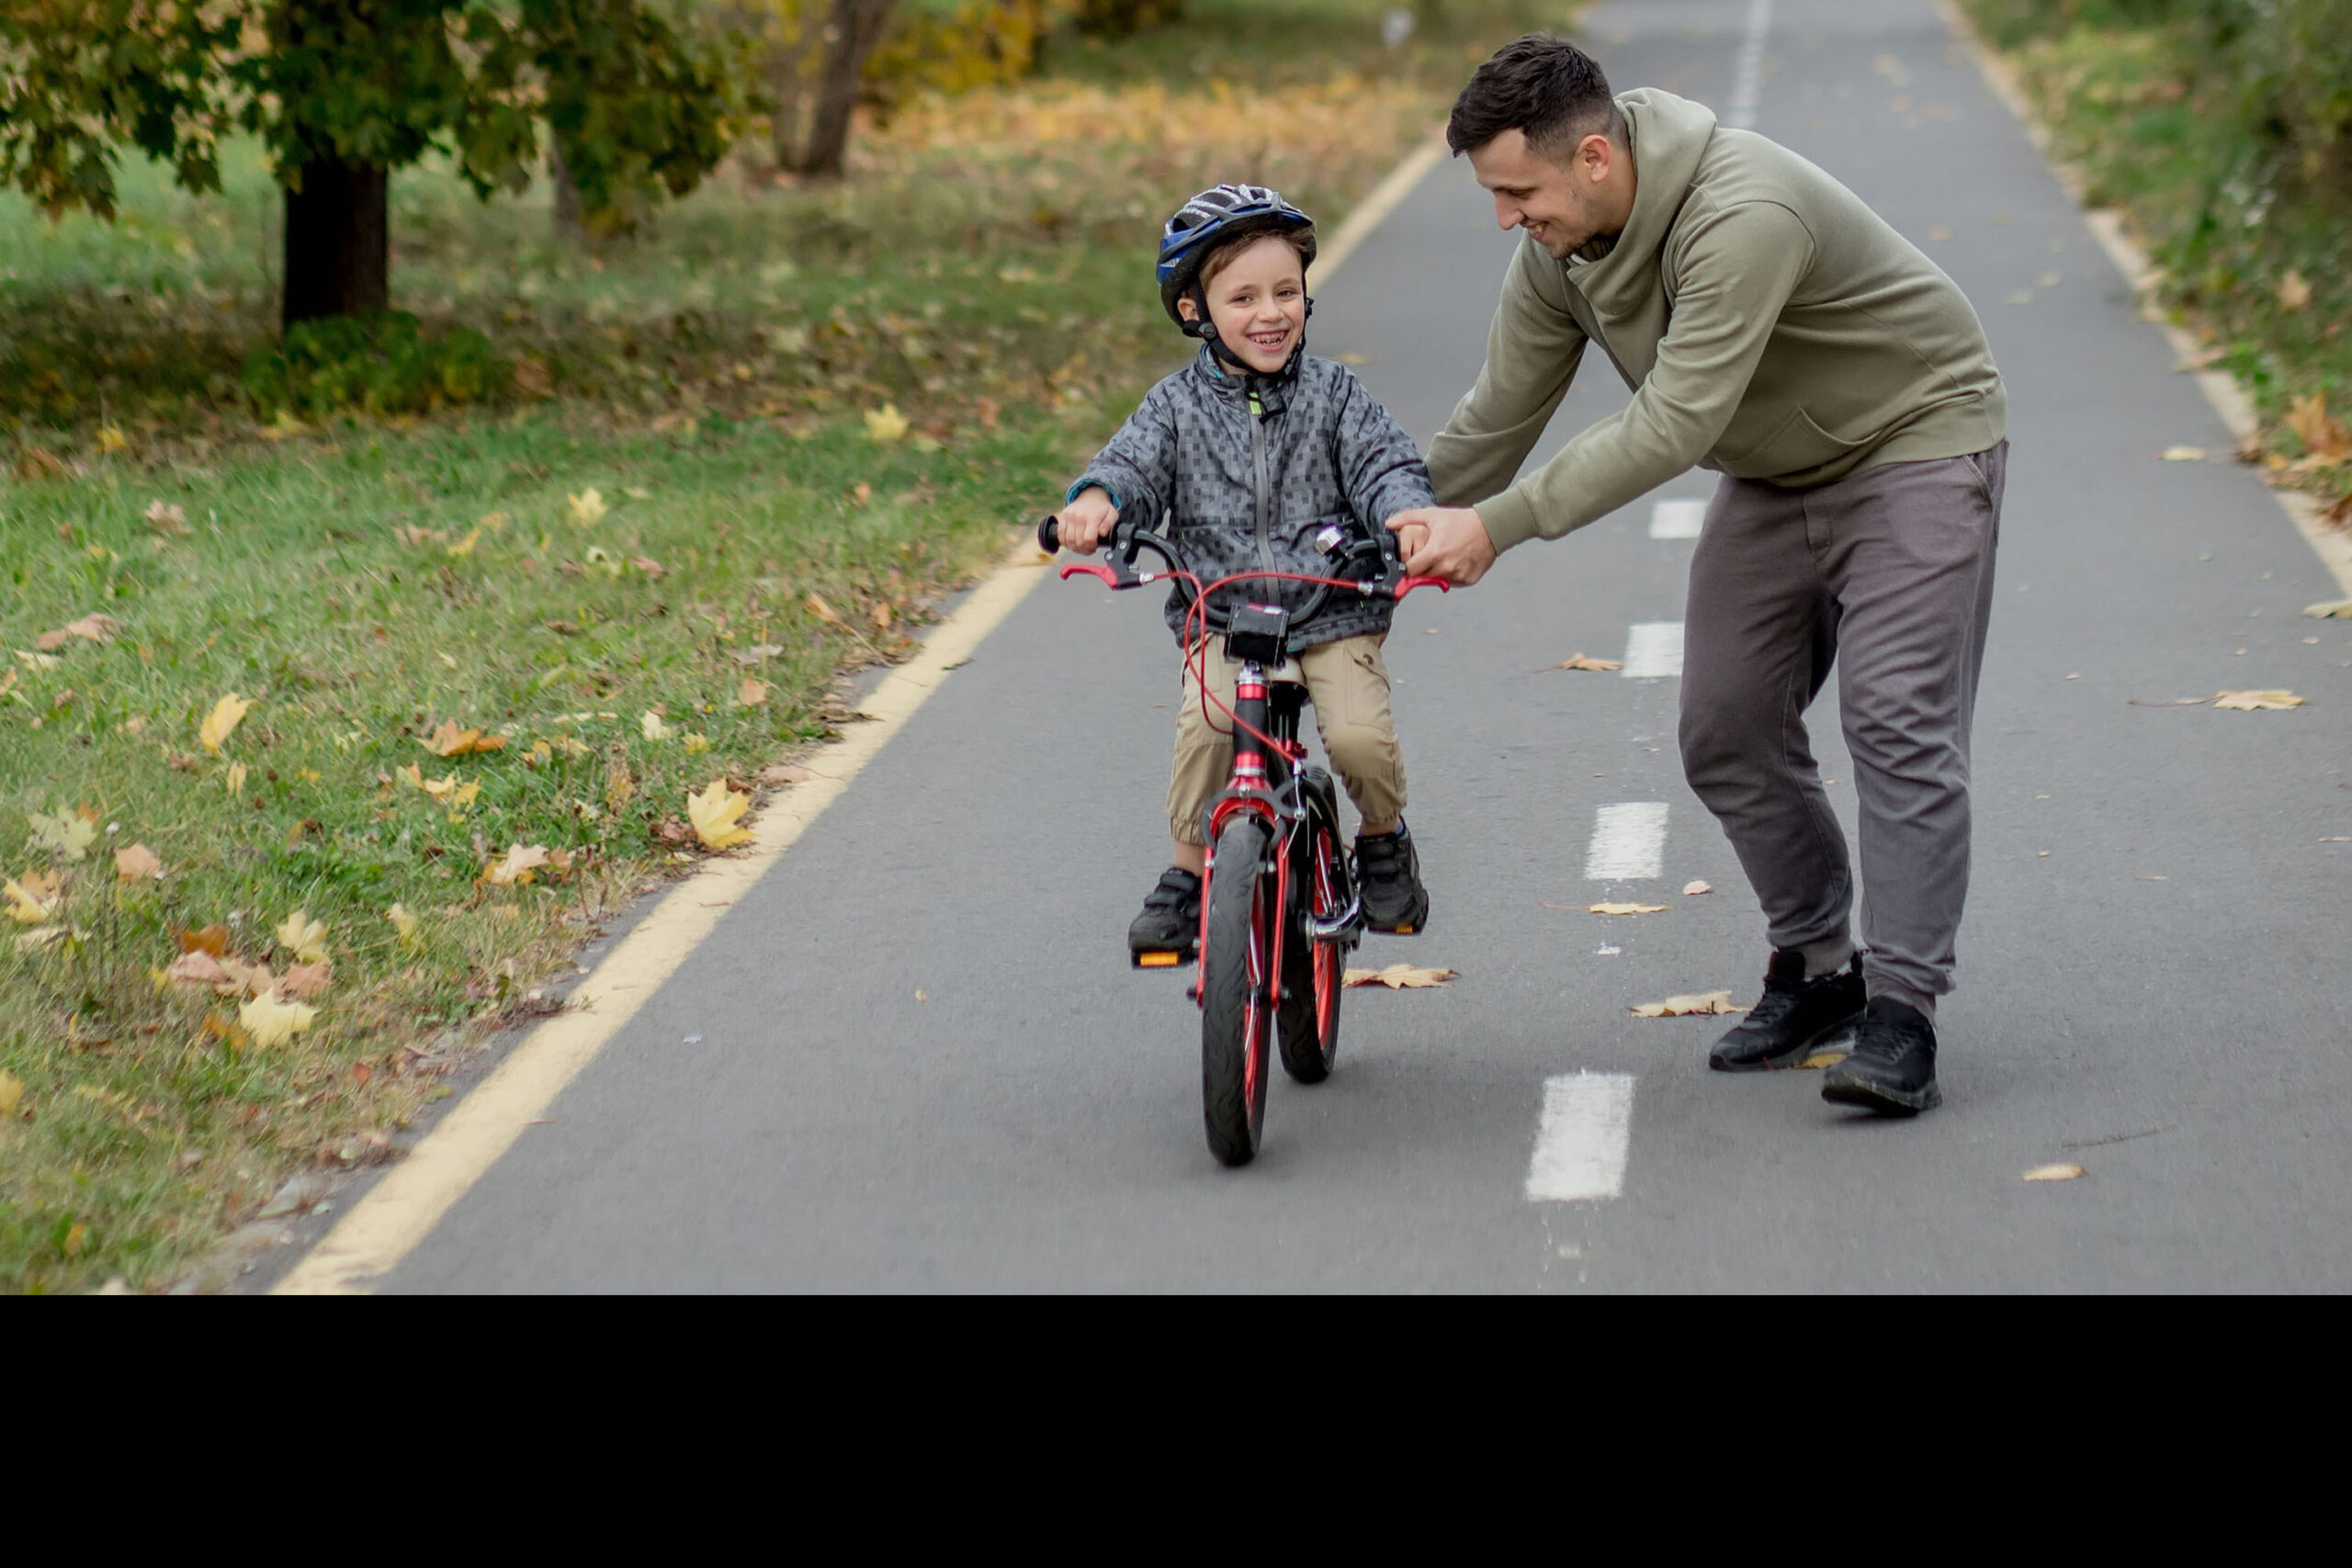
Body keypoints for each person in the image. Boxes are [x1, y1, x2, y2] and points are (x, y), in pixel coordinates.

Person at [1388, 38, 2009, 1115]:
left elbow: (1676, 420)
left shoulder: (1742, 211)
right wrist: (1370, 518)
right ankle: (1820, 968)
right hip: (1775, 473)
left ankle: (1903, 1009)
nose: (1505, 218)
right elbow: (1495, 418)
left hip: (1914, 443)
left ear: (1592, 157)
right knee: (1724, 726)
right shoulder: (1558, 249)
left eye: (1514, 192)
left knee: (1895, 719)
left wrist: (1497, 527)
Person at [1055, 184, 1438, 957]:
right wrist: (1098, 501)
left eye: (1286, 292)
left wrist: (1406, 516)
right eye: (1243, 297)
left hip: (1333, 607)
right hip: (1224, 614)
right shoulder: (1173, 407)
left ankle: (1383, 840)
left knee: (1359, 737)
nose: (1271, 313)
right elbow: (1130, 467)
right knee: (1208, 729)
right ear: (1195, 311)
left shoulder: (1335, 395)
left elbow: (1385, 465)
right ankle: (1189, 872)